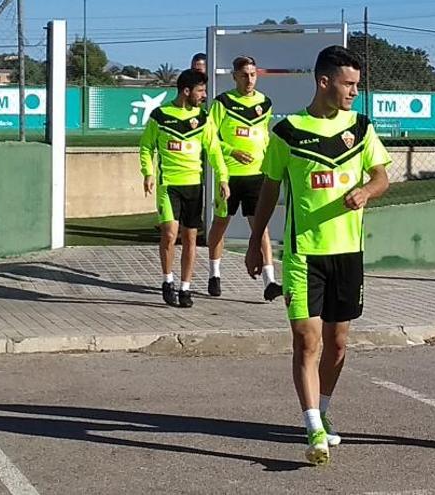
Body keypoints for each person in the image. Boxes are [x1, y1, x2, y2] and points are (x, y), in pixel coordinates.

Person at [245, 45, 391, 465]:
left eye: (357, 86)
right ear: (324, 81)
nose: (354, 93)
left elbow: (382, 176)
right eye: (348, 84)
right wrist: (256, 242)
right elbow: (270, 188)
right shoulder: (286, 131)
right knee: (306, 340)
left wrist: (365, 190)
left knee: (338, 343)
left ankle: (322, 411)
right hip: (305, 255)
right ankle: (312, 429)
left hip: (349, 254)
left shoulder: (361, 128)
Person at [140, 69, 229, 308]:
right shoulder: (160, 115)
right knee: (170, 234)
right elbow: (147, 147)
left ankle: (185, 288)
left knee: (191, 238)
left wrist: (223, 178)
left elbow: (214, 149)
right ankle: (167, 280)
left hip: (194, 185)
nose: (204, 95)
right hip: (169, 184)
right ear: (186, 91)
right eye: (200, 90)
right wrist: (148, 173)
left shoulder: (203, 118)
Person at [206, 56, 282, 300]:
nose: (249, 80)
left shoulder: (265, 103)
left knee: (261, 229)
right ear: (235, 76)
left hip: (257, 176)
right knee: (220, 225)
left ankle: (270, 281)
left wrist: (271, 165)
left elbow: (265, 137)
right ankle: (214, 273)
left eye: (253, 74)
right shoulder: (223, 103)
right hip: (229, 176)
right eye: (244, 75)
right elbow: (210, 138)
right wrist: (231, 152)